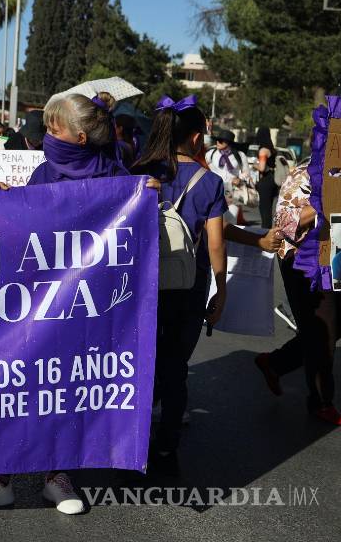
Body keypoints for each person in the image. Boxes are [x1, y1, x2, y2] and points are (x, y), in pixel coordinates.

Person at [0, 93, 158, 516]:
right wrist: (1, 200)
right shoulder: (44, 174)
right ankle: (0, 479)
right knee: (17, 389)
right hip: (35, 307)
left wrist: (148, 199)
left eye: (54, 129)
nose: (47, 136)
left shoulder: (119, 182)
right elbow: (21, 234)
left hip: (89, 308)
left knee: (67, 392)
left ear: (80, 137)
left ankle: (58, 476)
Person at [132, 95, 227, 472]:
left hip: (141, 281)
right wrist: (222, 289)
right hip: (189, 283)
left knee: (141, 360)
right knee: (175, 366)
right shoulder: (210, 182)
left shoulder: (139, 171)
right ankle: (167, 445)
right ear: (195, 137)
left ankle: (130, 438)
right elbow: (216, 242)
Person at [254, 163, 341, 425]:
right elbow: (282, 223)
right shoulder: (303, 173)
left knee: (336, 323)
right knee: (322, 331)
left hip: (339, 257)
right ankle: (320, 402)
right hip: (304, 261)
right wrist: (323, 203)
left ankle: (276, 363)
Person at [253, 127, 278, 228]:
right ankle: (268, 230)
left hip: (265, 181)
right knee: (269, 208)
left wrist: (254, 165)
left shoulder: (263, 150)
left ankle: (265, 232)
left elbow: (262, 168)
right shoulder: (272, 149)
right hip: (273, 180)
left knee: (264, 209)